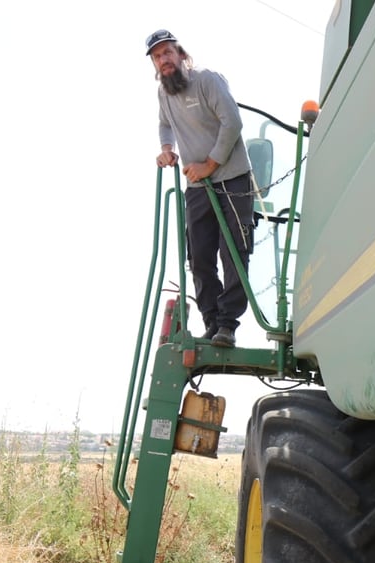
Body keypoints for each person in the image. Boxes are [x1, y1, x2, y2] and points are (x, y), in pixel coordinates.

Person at [147, 28, 255, 349]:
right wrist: (167, 149)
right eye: (157, 56)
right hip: (197, 186)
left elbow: (232, 122)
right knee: (199, 255)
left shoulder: (207, 81)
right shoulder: (164, 95)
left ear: (181, 55)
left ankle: (227, 324)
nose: (163, 60)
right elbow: (165, 124)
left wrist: (209, 164)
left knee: (233, 250)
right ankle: (211, 321)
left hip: (231, 178)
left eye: (168, 52)